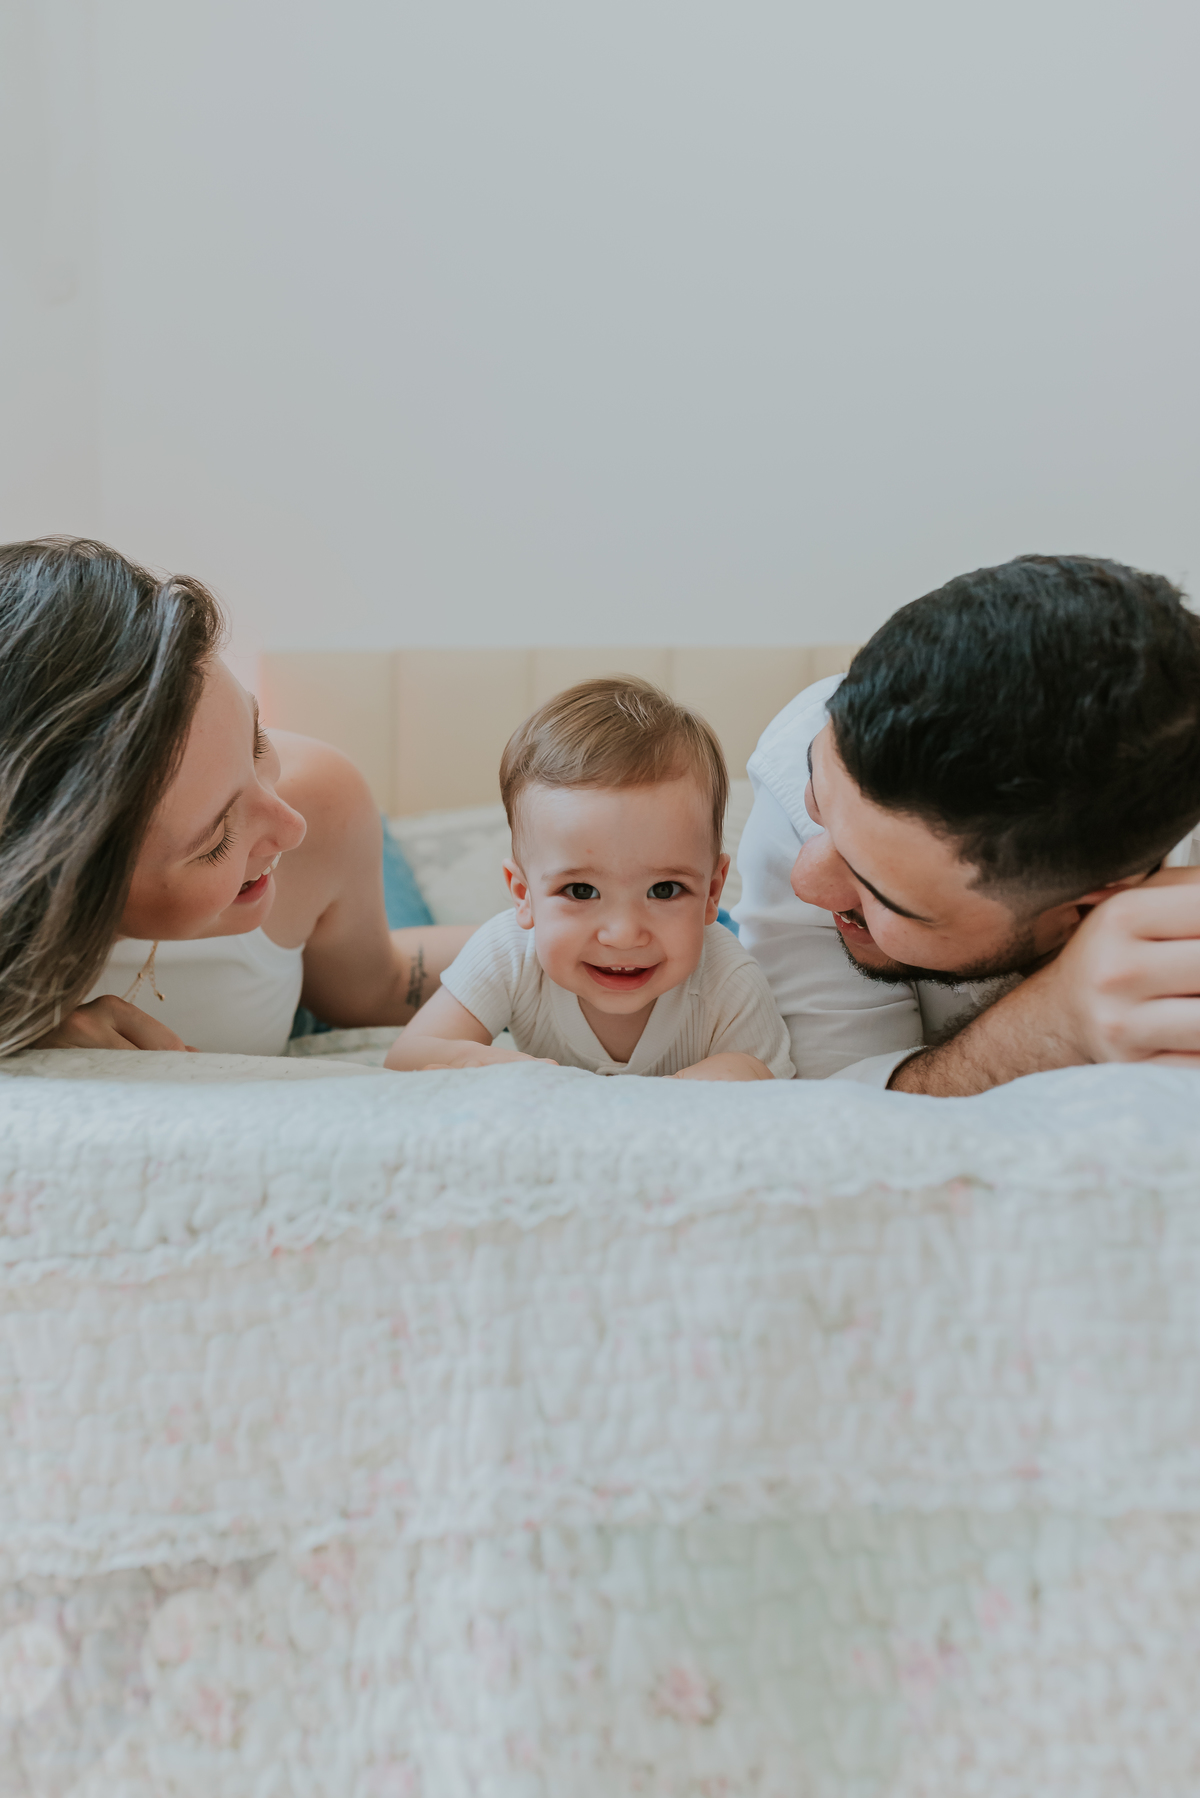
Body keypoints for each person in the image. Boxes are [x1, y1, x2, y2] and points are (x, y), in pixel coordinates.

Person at [734, 554, 1200, 1094]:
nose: (805, 881)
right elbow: (827, 1097)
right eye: (820, 805)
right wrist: (1053, 1023)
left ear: (1085, 905)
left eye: (885, 894)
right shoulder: (809, 748)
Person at [0, 537, 471, 1058]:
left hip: (317, 885)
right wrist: (25, 1037)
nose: (292, 827)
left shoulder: (315, 802)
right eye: (215, 842)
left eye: (256, 738)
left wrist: (551, 932)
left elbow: (381, 985)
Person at [389, 678, 795, 1080]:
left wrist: (682, 1094)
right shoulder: (509, 954)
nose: (623, 935)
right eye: (581, 891)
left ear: (712, 891)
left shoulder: (729, 981)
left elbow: (766, 1079)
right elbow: (409, 1054)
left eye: (664, 890)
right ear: (523, 894)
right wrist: (483, 1065)